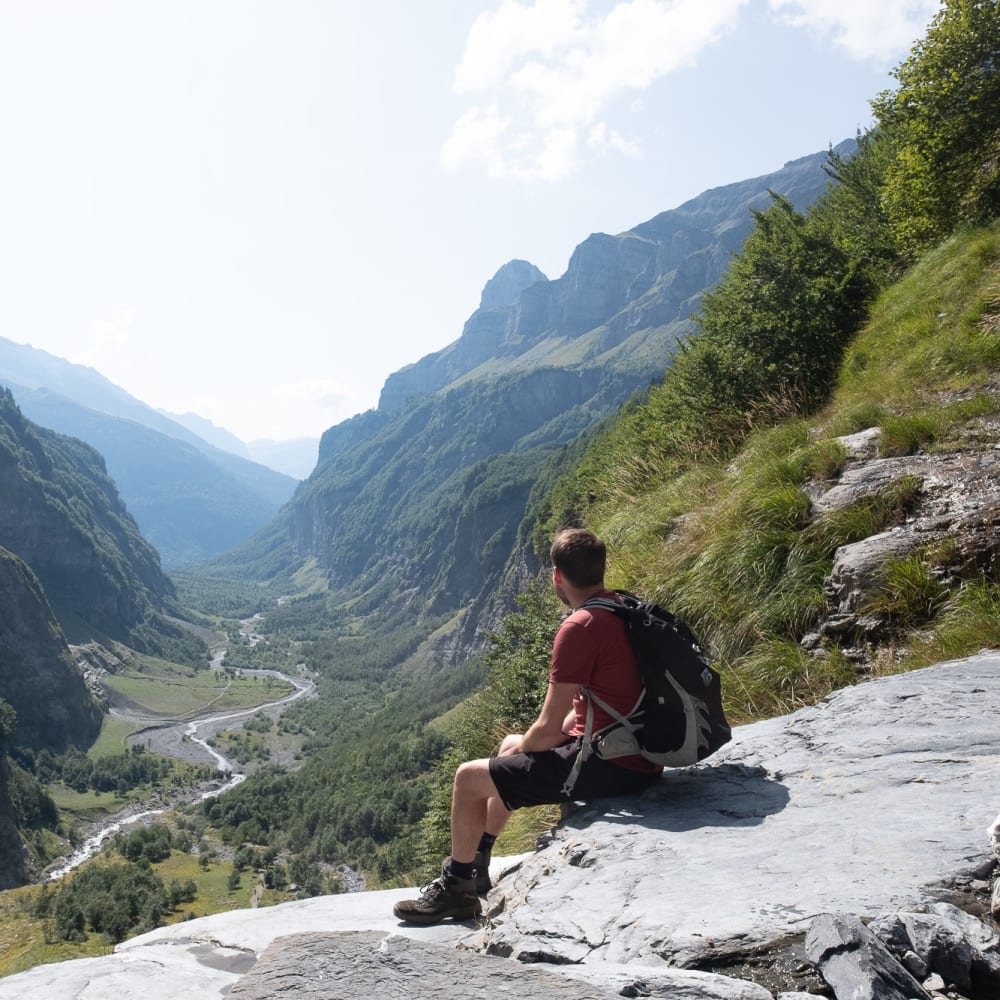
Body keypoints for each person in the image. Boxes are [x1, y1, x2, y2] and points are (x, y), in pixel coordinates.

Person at [393, 527, 663, 926]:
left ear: (557, 576)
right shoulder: (622, 608)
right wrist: (519, 747)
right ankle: (479, 861)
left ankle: (456, 890)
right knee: (508, 745)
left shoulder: (579, 627)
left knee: (469, 777)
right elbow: (599, 701)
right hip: (638, 751)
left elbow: (550, 730)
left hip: (612, 765)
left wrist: (528, 747)